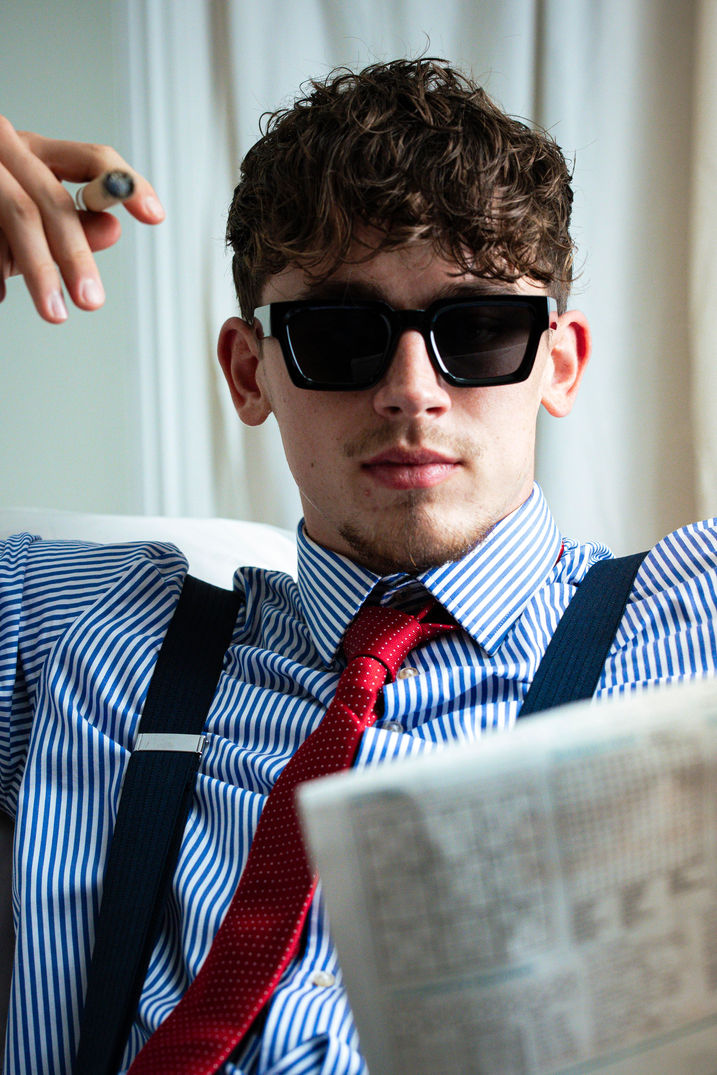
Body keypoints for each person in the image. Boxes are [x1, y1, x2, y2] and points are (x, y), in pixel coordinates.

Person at [0, 57, 716, 1075]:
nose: (411, 391)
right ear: (251, 372)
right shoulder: (75, 624)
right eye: (342, 335)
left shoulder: (697, 612)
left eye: (476, 330)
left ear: (557, 363)